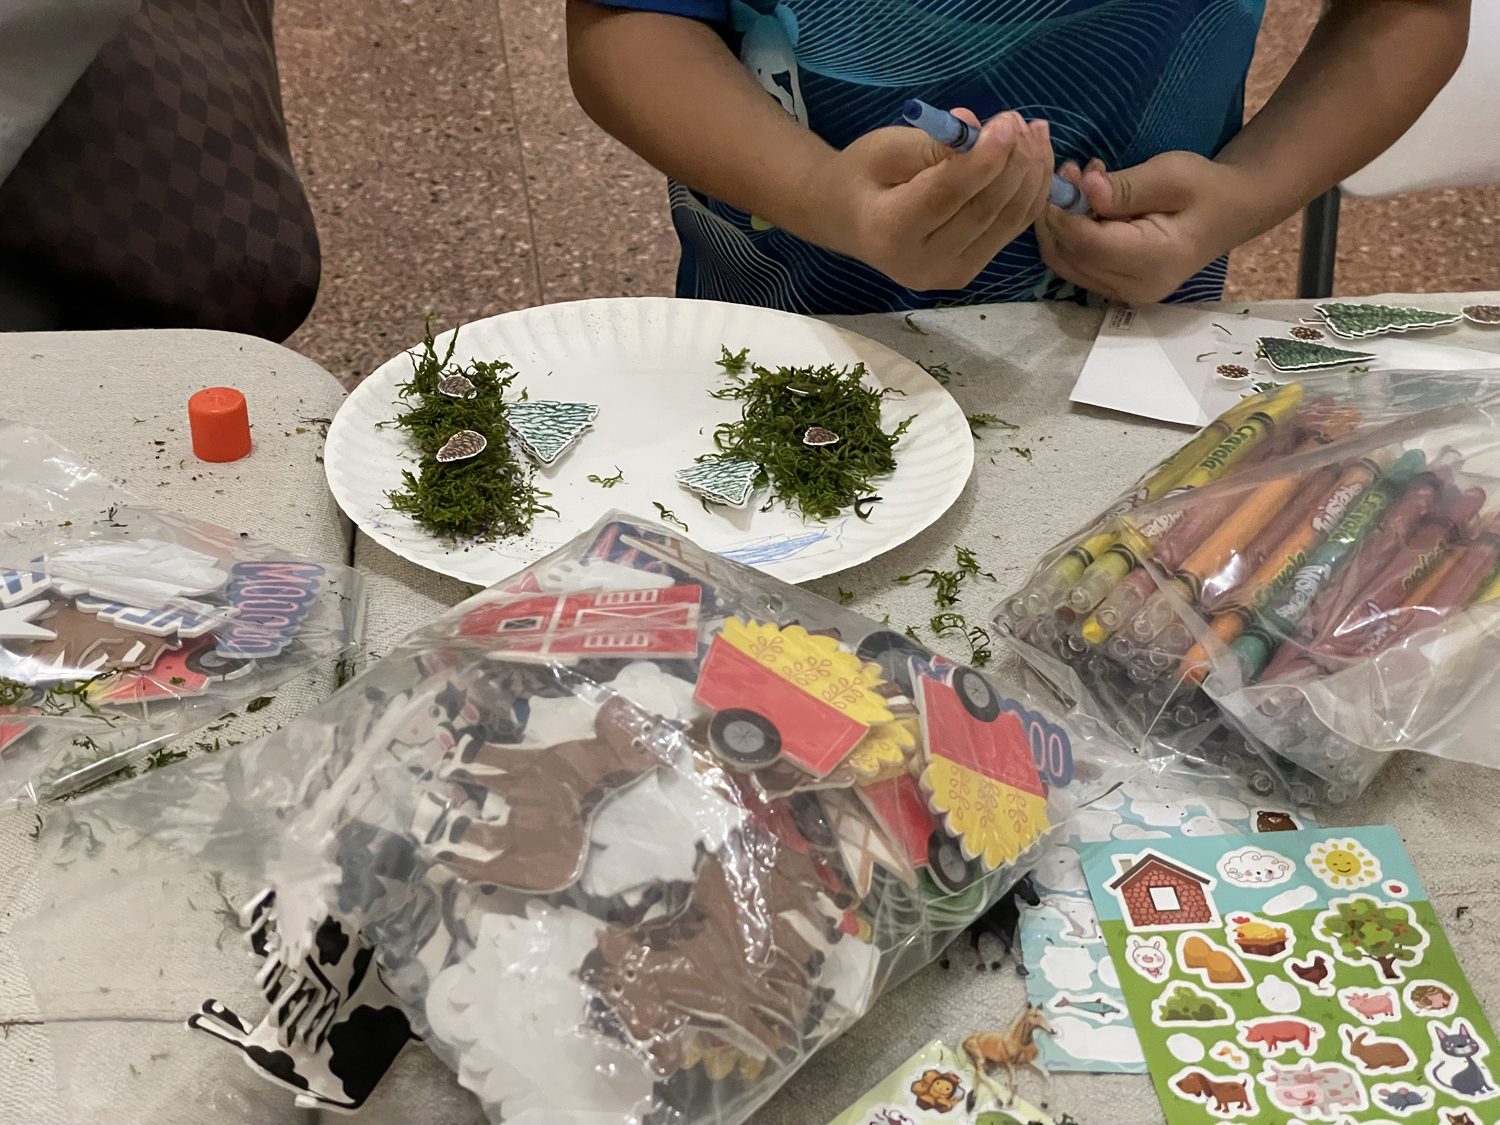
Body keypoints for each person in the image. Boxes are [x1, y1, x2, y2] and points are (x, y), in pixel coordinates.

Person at [566, 0, 1470, 313]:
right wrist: (816, 191)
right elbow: (628, 26)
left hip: (1127, 321)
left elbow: (1413, 15)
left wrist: (1248, 191)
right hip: (785, 312)